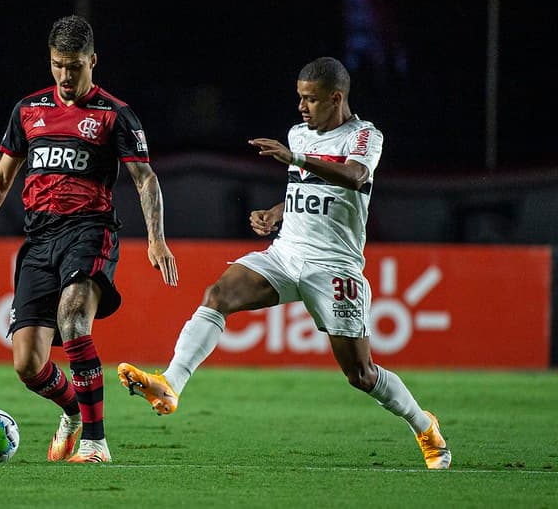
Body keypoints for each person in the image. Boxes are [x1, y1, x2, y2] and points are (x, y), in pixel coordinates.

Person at [118, 56, 451, 469]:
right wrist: (277, 212)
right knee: (218, 294)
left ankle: (424, 426)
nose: (301, 107)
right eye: (299, 98)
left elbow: (354, 177)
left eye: (311, 99)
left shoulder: (363, 135)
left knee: (361, 374)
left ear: (336, 98)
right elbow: (307, 188)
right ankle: (170, 383)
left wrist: (296, 158)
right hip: (286, 252)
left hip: (334, 266)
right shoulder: (298, 134)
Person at [0, 14, 178, 464]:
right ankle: (75, 411)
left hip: (90, 231)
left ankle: (96, 444)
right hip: (38, 239)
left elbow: (145, 178)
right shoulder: (28, 110)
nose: (65, 75)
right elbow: (2, 176)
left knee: (73, 317)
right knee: (27, 364)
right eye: (58, 65)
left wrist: (157, 239)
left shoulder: (114, 114)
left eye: (74, 66)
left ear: (92, 61)